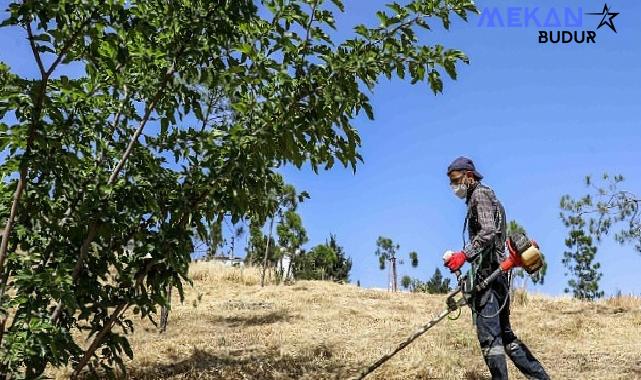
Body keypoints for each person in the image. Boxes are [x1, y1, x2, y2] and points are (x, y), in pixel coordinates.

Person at [443, 156, 550, 380]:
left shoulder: (479, 194)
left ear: (469, 177)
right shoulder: (487, 195)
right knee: (506, 337)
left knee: (491, 341)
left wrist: (464, 255)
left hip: (490, 278)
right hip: (497, 275)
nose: (454, 187)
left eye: (455, 180)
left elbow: (488, 232)